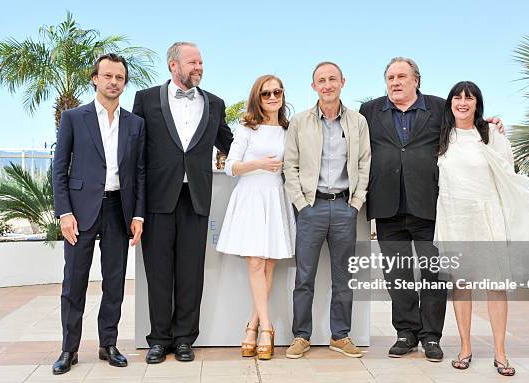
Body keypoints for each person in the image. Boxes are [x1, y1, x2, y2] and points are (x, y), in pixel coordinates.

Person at [359, 57, 504, 362]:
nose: (395, 82)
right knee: (397, 273)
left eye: (401, 76)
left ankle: (431, 337)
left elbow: (466, 125)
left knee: (434, 274)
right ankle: (406, 332)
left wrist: (490, 122)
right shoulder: (369, 111)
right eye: (390, 77)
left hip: (430, 205)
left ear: (416, 80)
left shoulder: (438, 107)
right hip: (387, 205)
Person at [435, 81, 529, 376]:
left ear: (478, 104)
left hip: (487, 216)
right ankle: (465, 348)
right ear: (450, 103)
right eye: (457, 98)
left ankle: (500, 352)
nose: (462, 103)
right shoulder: (442, 136)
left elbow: (508, 177)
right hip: (454, 217)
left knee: (495, 285)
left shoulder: (492, 135)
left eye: (469, 98)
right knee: (461, 285)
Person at [132, 42, 233, 364]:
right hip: (158, 198)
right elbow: (134, 150)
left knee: (191, 273)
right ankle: (159, 339)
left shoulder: (214, 103)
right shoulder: (146, 100)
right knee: (158, 273)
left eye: (201, 62)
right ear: (173, 65)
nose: (199, 67)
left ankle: (185, 338)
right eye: (192, 62)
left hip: (196, 199)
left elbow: (231, 143)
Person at [52, 53, 146, 374]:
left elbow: (140, 173)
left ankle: (108, 344)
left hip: (119, 211)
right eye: (107, 76)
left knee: (115, 283)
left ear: (124, 82)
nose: (113, 82)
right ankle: (69, 349)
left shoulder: (135, 124)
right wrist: (64, 212)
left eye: (119, 77)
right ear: (95, 78)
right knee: (74, 282)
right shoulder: (74, 118)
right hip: (80, 213)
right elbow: (59, 168)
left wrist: (138, 215)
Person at [283, 61, 371, 359]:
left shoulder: (357, 122)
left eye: (332, 79)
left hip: (344, 207)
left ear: (342, 82)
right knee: (304, 276)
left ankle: (340, 335)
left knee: (343, 277)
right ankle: (301, 336)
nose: (327, 84)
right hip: (311, 207)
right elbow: (290, 165)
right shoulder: (300, 122)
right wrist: (302, 204)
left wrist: (355, 203)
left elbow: (364, 163)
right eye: (321, 80)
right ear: (314, 86)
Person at [216, 75, 295, 360]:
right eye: (266, 93)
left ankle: (252, 324)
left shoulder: (289, 129)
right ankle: (268, 328)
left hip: (276, 196)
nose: (273, 97)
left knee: (270, 260)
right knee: (255, 260)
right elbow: (231, 167)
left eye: (277, 92)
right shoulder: (247, 127)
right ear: (257, 98)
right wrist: (258, 163)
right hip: (251, 196)